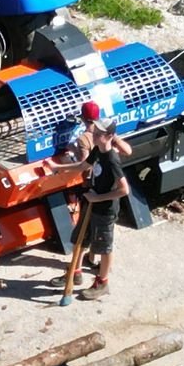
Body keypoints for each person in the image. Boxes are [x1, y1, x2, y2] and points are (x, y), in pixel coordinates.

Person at [76, 120, 129, 300]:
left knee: (105, 247)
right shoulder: (97, 150)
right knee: (90, 239)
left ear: (109, 137)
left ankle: (102, 282)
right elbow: (83, 166)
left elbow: (124, 190)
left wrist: (97, 198)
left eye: (99, 134)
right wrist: (58, 169)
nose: (95, 135)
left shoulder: (112, 160)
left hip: (106, 209)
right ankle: (84, 267)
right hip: (95, 203)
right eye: (95, 132)